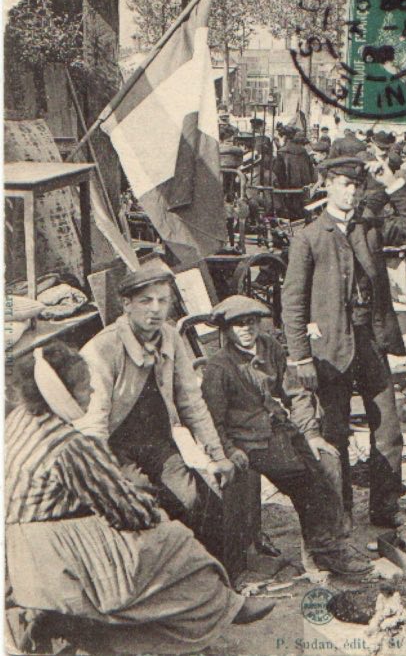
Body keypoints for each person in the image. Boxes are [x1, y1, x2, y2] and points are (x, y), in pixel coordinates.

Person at [5, 343, 273, 655]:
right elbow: (125, 511)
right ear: (62, 394)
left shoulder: (20, 420)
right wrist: (148, 505)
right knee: (172, 540)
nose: (93, 389)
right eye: (84, 385)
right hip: (54, 550)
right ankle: (222, 608)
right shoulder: (70, 446)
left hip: (19, 543)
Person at [282, 155, 406, 528]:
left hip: (370, 340)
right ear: (327, 185)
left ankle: (385, 510)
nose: (351, 192)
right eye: (343, 184)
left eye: (357, 185)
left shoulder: (369, 228)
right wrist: (300, 357)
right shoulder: (308, 237)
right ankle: (338, 512)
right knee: (334, 432)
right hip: (331, 349)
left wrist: (393, 183)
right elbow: (292, 302)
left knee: (388, 429)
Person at [200, 296, 371, 576]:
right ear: (226, 330)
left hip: (279, 432)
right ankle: (327, 551)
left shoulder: (270, 348)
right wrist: (229, 450)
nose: (246, 329)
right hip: (248, 442)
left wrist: (312, 434)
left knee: (327, 459)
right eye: (238, 324)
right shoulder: (220, 368)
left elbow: (296, 393)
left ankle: (322, 549)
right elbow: (211, 421)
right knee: (307, 480)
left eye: (252, 322)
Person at [78, 263, 236, 540]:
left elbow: (191, 401)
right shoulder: (102, 348)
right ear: (126, 305)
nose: (155, 309)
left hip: (158, 442)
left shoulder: (170, 337)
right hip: (115, 447)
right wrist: (103, 475)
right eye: (145, 301)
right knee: (144, 504)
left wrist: (217, 454)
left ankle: (195, 574)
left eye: (163, 300)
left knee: (193, 499)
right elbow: (94, 423)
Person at [274, 125, 316, 220]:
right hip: (303, 189)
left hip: (288, 190)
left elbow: (278, 174)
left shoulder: (282, 152)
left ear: (284, 137)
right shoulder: (303, 151)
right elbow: (310, 170)